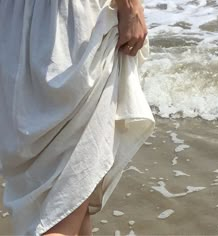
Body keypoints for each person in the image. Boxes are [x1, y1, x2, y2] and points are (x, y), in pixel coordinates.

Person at [0, 0, 155, 235]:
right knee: (58, 218)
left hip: (13, 25)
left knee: (68, 202)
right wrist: (130, 5)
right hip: (71, 29)